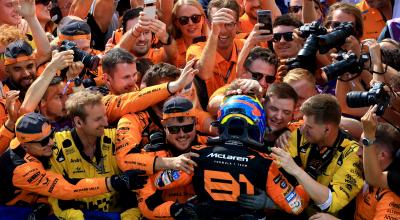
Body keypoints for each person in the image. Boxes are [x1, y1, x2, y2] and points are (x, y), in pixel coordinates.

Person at [161, 95, 309, 219]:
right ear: (257, 125)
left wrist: (171, 163)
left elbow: (161, 182)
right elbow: (296, 206)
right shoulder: (265, 162)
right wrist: (302, 179)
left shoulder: (197, 153)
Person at [0, 112, 147, 218]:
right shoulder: (23, 169)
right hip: (11, 210)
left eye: (51, 135)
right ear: (25, 147)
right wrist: (114, 182)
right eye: (44, 141)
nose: (52, 142)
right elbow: (67, 188)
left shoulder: (26, 137)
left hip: (39, 200)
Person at [48, 91, 147, 219]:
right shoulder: (57, 146)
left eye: (105, 116)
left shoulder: (117, 138)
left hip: (117, 215)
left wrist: (129, 217)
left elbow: (137, 188)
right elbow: (57, 194)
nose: (106, 123)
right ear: (78, 122)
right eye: (98, 119)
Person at [271, 94, 363, 217]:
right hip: (297, 207)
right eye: (303, 122)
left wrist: (296, 170)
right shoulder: (298, 133)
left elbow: (332, 203)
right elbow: (277, 172)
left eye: (309, 127)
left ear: (327, 130)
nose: (302, 129)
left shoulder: (353, 154)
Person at [137, 96, 199, 219]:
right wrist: (175, 210)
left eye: (187, 128)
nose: (182, 134)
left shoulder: (209, 147)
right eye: (174, 129)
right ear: (164, 126)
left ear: (196, 123)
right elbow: (147, 205)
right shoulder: (148, 155)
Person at [187, 0, 244, 98]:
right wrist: (214, 33)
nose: (222, 30)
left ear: (238, 25)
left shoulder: (244, 46)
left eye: (229, 24)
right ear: (209, 24)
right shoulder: (196, 48)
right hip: (210, 111)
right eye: (217, 24)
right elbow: (204, 73)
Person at [170, 0, 209, 68]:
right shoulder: (171, 50)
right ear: (177, 23)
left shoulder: (214, 43)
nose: (190, 23)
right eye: (183, 20)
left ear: (203, 19)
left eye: (195, 18)